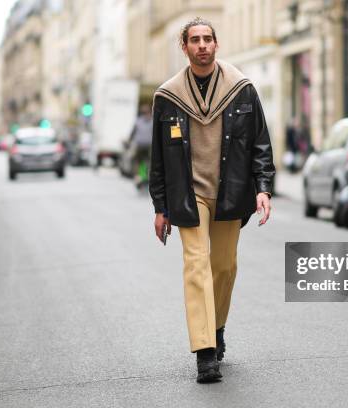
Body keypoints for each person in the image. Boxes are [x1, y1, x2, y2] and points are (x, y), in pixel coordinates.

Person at [148, 17, 275, 383]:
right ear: (184, 47)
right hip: (189, 195)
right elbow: (158, 157)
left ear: (216, 45)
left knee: (223, 267)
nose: (202, 45)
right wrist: (160, 207)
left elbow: (260, 144)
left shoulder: (242, 89)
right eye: (195, 40)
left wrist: (263, 187)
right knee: (196, 265)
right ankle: (205, 352)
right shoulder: (167, 96)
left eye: (208, 39)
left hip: (231, 191)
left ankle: (216, 328)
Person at [128, 104, 153, 187]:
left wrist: (129, 141)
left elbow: (132, 133)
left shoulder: (139, 121)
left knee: (141, 162)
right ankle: (141, 177)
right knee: (141, 161)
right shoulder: (150, 121)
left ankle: (141, 177)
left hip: (145, 146)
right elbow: (133, 133)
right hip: (143, 145)